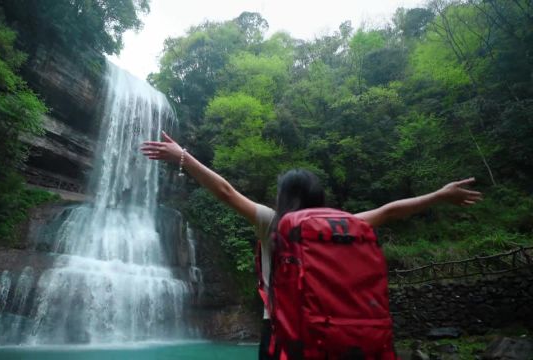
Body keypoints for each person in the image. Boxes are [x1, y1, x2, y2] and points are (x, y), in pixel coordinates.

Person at [141, 131, 482, 359]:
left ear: (283, 197)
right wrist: (440, 195)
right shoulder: (345, 224)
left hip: (282, 333)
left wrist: (182, 157)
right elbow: (390, 211)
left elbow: (226, 191)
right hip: (338, 335)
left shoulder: (272, 223)